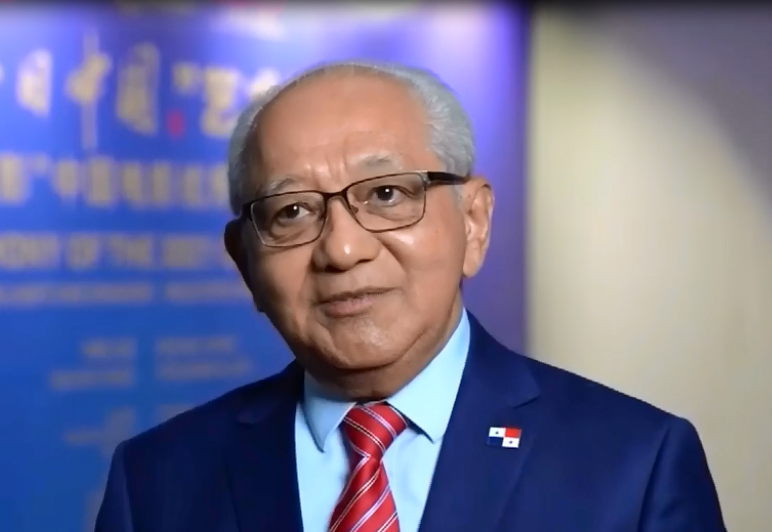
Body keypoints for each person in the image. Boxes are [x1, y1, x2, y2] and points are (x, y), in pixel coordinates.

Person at [95, 60, 726, 532]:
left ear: (473, 223)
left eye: (386, 195)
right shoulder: (155, 483)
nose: (343, 250)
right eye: (292, 212)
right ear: (245, 261)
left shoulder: (634, 467)